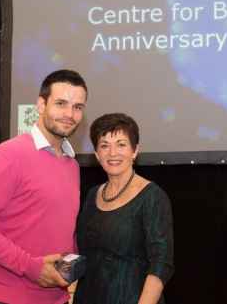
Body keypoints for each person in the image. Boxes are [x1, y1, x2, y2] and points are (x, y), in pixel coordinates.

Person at [0, 69, 88, 304]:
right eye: (61, 103)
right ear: (40, 104)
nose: (70, 114)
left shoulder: (72, 166)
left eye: (78, 107)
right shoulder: (5, 156)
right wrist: (32, 267)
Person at [74, 113, 174, 304]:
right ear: (96, 154)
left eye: (121, 144)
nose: (112, 153)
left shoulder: (152, 196)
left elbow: (161, 265)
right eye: (104, 145)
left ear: (135, 151)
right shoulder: (92, 194)